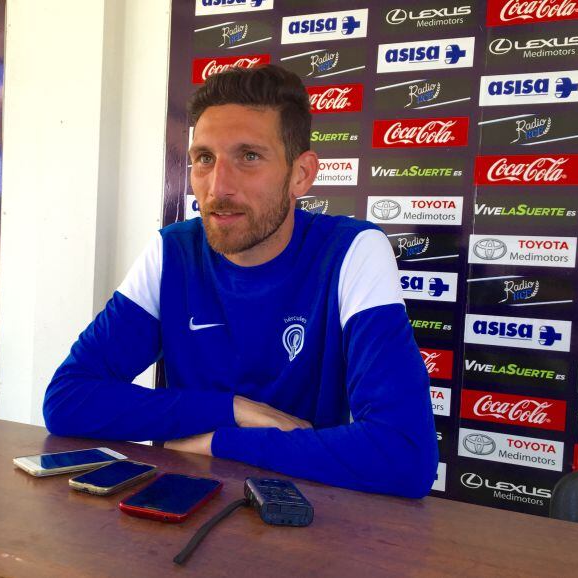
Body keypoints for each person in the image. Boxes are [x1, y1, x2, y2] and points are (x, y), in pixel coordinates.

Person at [43, 65, 438, 498]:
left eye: (249, 156)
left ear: (301, 174)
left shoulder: (352, 252)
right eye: (204, 158)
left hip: (304, 516)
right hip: (180, 506)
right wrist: (234, 410)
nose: (218, 186)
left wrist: (218, 441)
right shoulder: (172, 252)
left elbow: (404, 455)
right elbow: (67, 400)